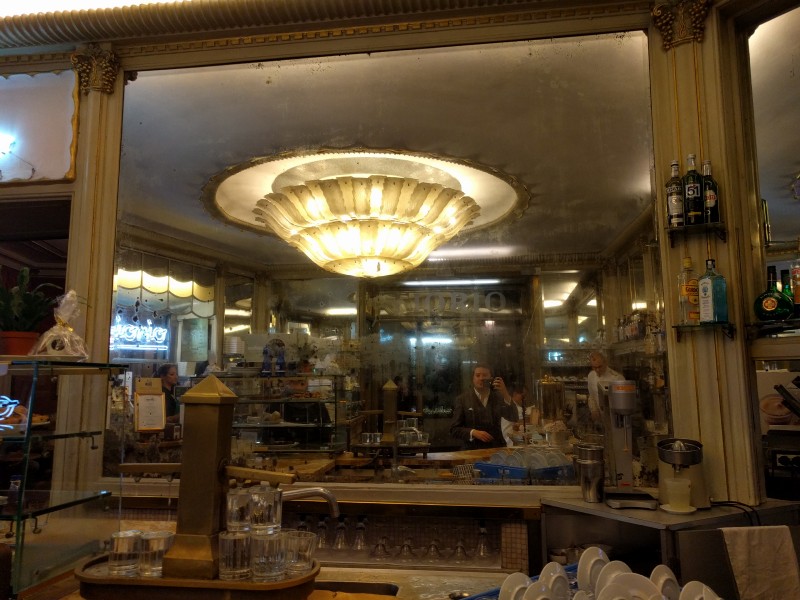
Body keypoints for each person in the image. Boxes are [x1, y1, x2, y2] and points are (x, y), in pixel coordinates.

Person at [450, 364, 517, 449]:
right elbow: (454, 429)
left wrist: (505, 394)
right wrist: (473, 432)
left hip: (496, 448)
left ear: (491, 379)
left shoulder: (498, 397)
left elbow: (514, 417)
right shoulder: (462, 399)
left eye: (485, 375)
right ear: (473, 378)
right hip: (472, 450)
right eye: (478, 375)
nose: (481, 378)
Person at [584, 350, 624, 429]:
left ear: (605, 363)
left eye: (600, 367)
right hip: (600, 418)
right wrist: (593, 409)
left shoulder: (617, 378)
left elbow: (622, 402)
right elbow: (591, 396)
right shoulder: (591, 376)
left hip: (615, 418)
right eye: (595, 367)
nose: (597, 370)